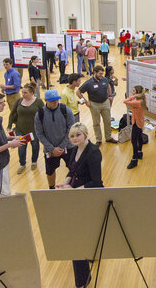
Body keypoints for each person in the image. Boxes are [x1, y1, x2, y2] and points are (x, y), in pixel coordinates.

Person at [57, 123, 103, 288]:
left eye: (78, 135)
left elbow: (97, 182)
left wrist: (74, 189)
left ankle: (82, 281)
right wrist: (64, 183)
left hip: (88, 196)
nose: (74, 138)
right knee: (79, 235)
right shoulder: (74, 150)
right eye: (72, 136)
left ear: (85, 134)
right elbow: (72, 170)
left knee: (78, 237)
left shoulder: (93, 153)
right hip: (76, 195)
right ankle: (84, 274)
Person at [35, 89, 75, 189]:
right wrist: (52, 149)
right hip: (50, 150)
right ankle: (51, 188)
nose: (55, 102)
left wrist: (61, 147)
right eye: (52, 100)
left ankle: (73, 186)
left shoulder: (66, 110)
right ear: (45, 100)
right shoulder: (39, 114)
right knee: (50, 171)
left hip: (68, 147)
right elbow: (39, 133)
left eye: (57, 100)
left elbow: (71, 129)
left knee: (74, 168)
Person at [7, 83, 44, 174]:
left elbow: (43, 114)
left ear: (32, 93)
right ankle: (22, 164)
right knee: (21, 148)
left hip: (34, 129)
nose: (23, 94)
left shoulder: (38, 102)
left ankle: (34, 161)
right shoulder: (19, 101)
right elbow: (12, 113)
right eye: (22, 92)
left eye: (25, 93)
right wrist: (9, 125)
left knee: (35, 146)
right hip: (20, 129)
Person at [76, 65, 118, 144]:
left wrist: (110, 96)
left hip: (105, 102)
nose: (101, 75)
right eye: (99, 74)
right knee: (96, 123)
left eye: (102, 74)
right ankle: (98, 140)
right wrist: (85, 102)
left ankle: (108, 137)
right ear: (94, 73)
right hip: (94, 104)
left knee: (108, 121)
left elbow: (108, 86)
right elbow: (78, 92)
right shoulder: (89, 83)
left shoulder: (104, 79)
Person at [123, 85, 147, 169]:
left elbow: (125, 101)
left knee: (133, 141)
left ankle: (134, 159)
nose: (132, 92)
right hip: (140, 121)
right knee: (139, 137)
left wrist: (134, 96)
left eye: (134, 91)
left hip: (136, 123)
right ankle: (140, 153)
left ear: (137, 93)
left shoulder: (137, 102)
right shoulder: (143, 99)